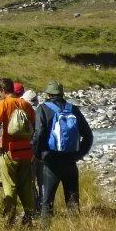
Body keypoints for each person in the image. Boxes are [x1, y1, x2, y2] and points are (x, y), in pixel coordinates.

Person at [34, 81, 94, 220]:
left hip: (51, 161)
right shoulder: (73, 109)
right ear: (61, 94)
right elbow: (88, 135)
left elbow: (38, 134)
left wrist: (39, 154)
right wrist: (79, 154)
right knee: (72, 201)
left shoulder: (43, 108)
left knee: (47, 201)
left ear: (48, 94)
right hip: (70, 160)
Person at [0, 77, 37, 227]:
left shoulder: (4, 104)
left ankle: (10, 217)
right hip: (25, 151)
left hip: (9, 151)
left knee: (9, 185)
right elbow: (33, 127)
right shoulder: (26, 104)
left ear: (4, 90)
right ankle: (29, 217)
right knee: (25, 185)